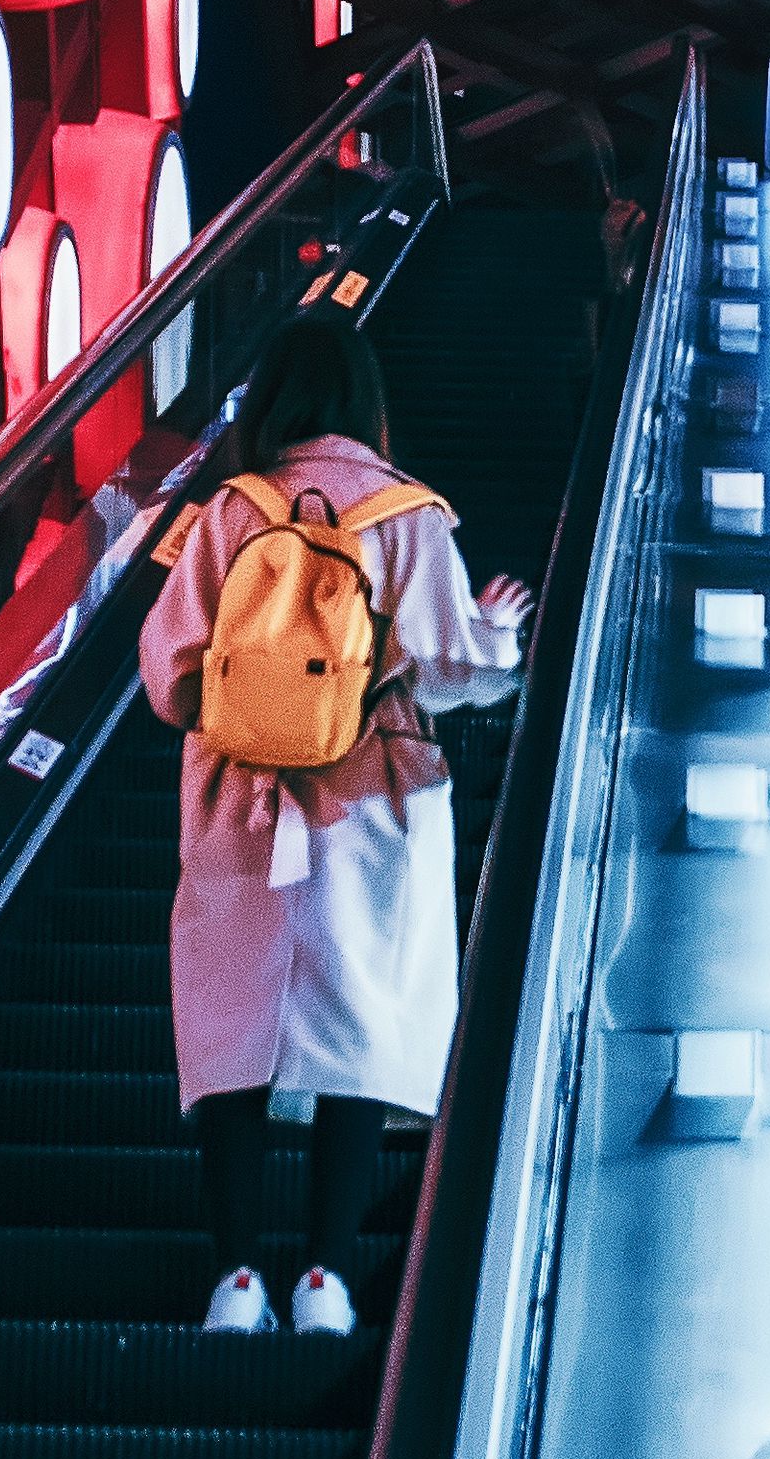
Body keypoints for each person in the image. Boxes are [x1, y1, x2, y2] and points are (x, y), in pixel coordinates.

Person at [138, 314, 531, 1337]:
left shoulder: (231, 512)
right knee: (362, 1014)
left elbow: (168, 672)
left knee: (234, 1028)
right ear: (366, 402)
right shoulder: (408, 515)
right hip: (372, 792)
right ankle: (323, 1279)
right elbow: (454, 668)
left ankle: (233, 1278)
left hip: (241, 791)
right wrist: (494, 632)